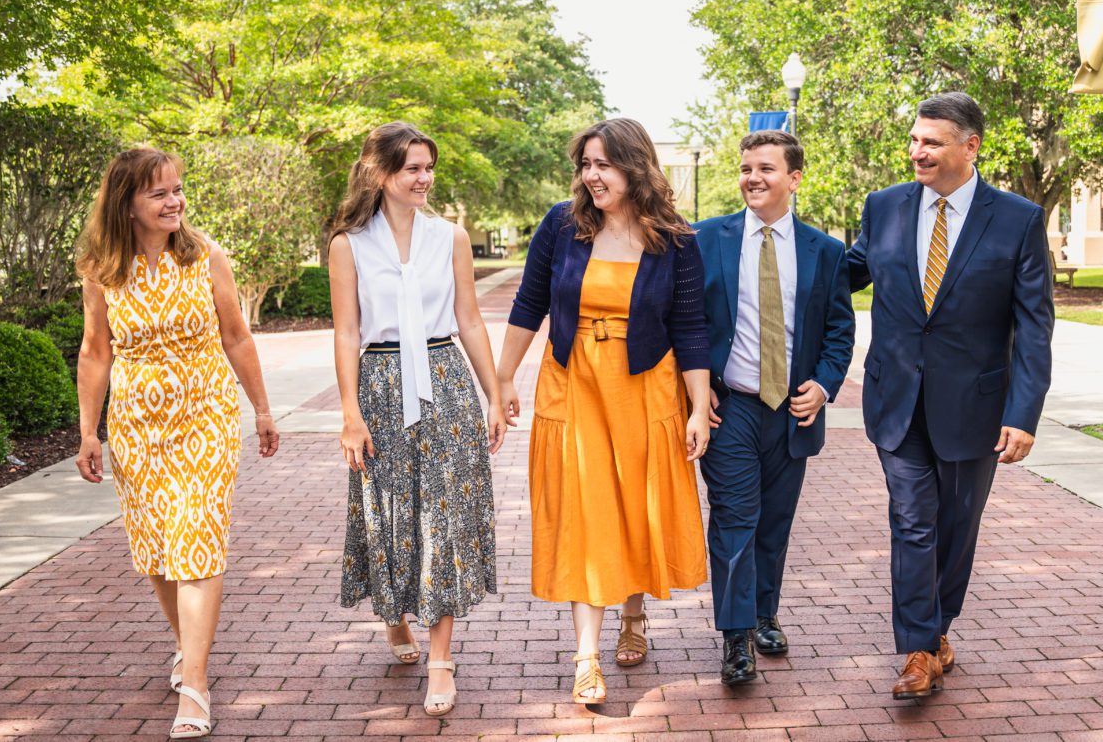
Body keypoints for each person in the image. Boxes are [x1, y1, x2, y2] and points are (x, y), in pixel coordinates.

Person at [846, 92, 1054, 699]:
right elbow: (841, 275)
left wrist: (1024, 413)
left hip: (975, 406)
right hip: (896, 399)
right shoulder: (883, 206)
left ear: (971, 146)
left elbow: (1034, 326)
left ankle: (937, 629)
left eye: (932, 142)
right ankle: (918, 649)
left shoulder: (1017, 219)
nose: (917, 152)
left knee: (957, 526)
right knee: (912, 521)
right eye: (914, 139)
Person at [496, 118, 710, 705]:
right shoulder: (562, 226)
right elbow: (529, 302)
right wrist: (504, 376)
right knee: (585, 511)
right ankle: (586, 658)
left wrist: (697, 407)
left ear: (634, 168)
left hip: (644, 386)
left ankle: (633, 616)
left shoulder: (675, 239)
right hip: (574, 382)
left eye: (604, 165)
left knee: (636, 505)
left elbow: (691, 326)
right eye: (586, 164)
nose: (592, 175)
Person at [75, 147, 280, 739]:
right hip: (137, 426)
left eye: (178, 190)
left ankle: (195, 683)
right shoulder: (102, 270)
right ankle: (186, 645)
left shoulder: (205, 255)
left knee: (198, 542)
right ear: (126, 203)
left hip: (206, 416)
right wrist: (88, 431)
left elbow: (237, 336)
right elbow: (95, 352)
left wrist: (262, 410)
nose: (175, 202)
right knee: (160, 550)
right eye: (159, 193)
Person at [328, 122, 504, 718]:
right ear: (381, 174)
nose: (424, 178)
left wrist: (493, 393)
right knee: (390, 512)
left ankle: (441, 660)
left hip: (444, 382)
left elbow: (470, 319)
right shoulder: (349, 244)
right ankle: (394, 614)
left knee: (444, 518)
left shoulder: (450, 237)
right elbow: (347, 332)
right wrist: (349, 414)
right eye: (412, 169)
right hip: (378, 386)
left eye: (429, 167)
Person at [693, 130, 855, 685]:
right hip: (731, 405)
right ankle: (736, 638)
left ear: (794, 178)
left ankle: (765, 614)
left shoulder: (825, 251)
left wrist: (825, 385)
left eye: (765, 168)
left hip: (793, 409)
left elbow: (839, 330)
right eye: (746, 169)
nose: (753, 178)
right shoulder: (704, 239)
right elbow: (684, 322)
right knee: (735, 518)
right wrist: (697, 391)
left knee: (775, 521)